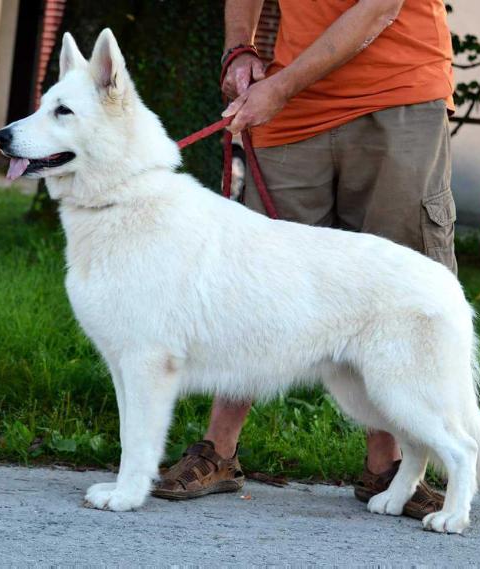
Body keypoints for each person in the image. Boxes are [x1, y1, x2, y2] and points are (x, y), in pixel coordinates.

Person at [154, 0, 456, 520]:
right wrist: (240, 50)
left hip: (399, 94)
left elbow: (380, 8)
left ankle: (387, 466)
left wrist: (280, 85)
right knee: (258, 281)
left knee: (393, 287)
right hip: (294, 106)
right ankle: (218, 451)